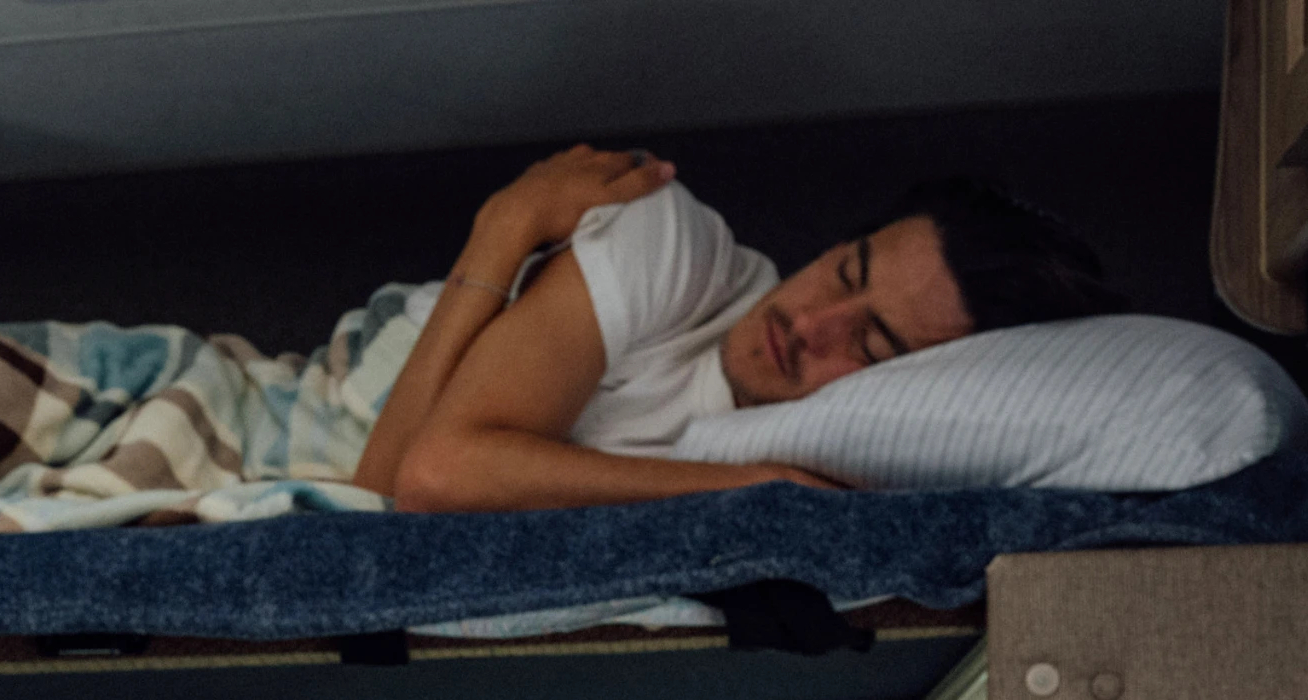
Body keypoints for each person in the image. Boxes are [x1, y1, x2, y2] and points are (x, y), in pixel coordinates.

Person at [356, 148, 1125, 511]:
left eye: (870, 345)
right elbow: (431, 480)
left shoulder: (860, 454)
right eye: (845, 273)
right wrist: (502, 229)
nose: (811, 323)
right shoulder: (671, 241)